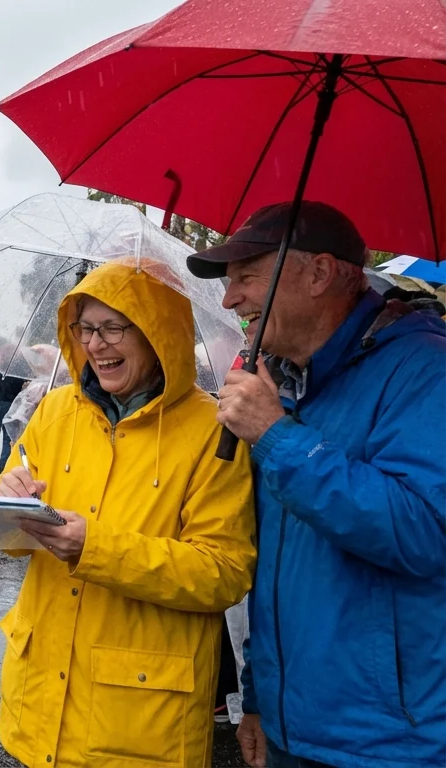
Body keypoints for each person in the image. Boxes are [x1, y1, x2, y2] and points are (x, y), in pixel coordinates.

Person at [184, 202, 446, 768]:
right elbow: (278, 568)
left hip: (389, 742)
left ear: (321, 273)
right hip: (288, 727)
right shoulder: (286, 383)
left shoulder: (426, 370)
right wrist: (256, 695)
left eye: (247, 278)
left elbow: (423, 533)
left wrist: (276, 438)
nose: (230, 300)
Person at [0, 260, 256, 768]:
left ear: (157, 331)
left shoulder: (212, 430)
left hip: (140, 728)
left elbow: (223, 573)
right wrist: (7, 493)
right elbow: (7, 512)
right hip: (35, 710)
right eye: (86, 328)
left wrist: (96, 549)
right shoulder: (54, 410)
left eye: (114, 327)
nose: (95, 344)